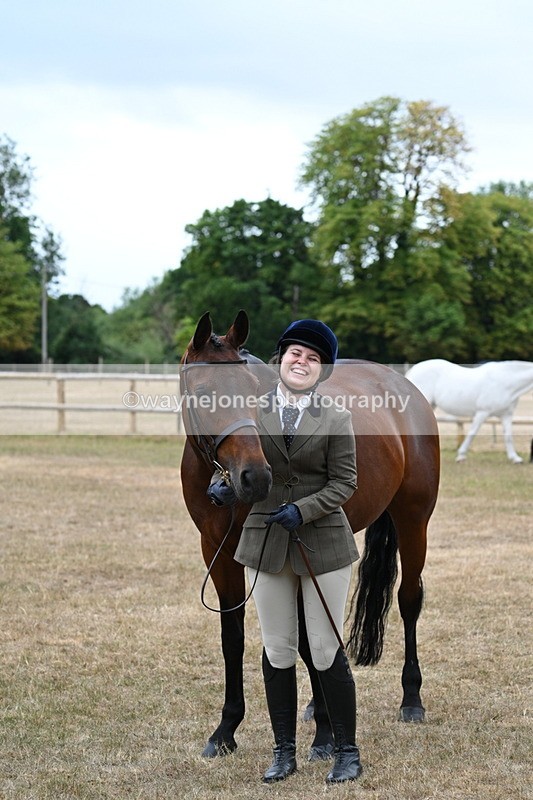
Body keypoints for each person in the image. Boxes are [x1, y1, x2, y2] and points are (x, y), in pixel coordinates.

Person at [208, 319, 362, 785]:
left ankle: (346, 750)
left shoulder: (336, 417)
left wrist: (303, 509)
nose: (303, 362)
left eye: (313, 358)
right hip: (267, 539)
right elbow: (235, 461)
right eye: (296, 353)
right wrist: (225, 488)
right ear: (281, 359)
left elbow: (346, 482)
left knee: (323, 646)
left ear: (321, 371)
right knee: (277, 648)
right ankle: (283, 752)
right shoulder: (250, 410)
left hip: (324, 541)